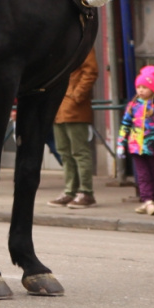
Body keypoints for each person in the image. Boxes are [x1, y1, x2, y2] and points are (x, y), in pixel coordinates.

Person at [118, 65, 154, 216]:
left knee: (153, 174)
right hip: (136, 147)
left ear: (153, 89)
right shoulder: (132, 106)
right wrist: (121, 144)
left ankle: (150, 199)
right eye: (138, 87)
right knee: (142, 175)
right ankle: (148, 201)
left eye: (144, 87)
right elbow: (125, 126)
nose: (140, 90)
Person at [49, 50, 98, 209]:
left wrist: (76, 96)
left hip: (74, 108)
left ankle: (86, 192)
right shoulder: (57, 45)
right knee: (64, 152)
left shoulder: (83, 46)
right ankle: (70, 191)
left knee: (79, 151)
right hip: (58, 107)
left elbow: (91, 72)